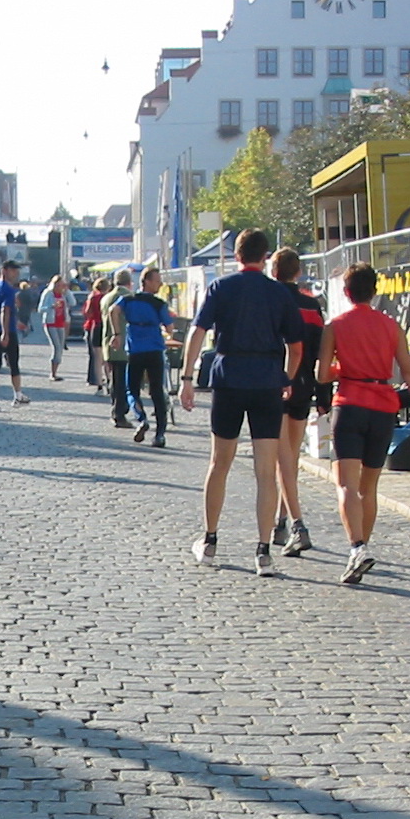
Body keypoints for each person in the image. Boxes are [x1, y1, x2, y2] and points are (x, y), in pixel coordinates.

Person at [179, 228, 304, 578]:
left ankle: (210, 541)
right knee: (265, 471)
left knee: (219, 463)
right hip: (267, 381)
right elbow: (296, 347)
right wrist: (288, 378)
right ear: (266, 258)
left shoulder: (221, 287)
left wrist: (187, 378)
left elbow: (197, 331)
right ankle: (263, 552)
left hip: (229, 377)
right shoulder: (279, 293)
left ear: (236, 256)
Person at [317, 262, 410, 585]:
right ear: (375, 291)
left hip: (350, 405)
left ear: (346, 292)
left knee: (345, 486)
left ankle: (357, 547)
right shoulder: (391, 326)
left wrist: (344, 368)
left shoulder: (335, 326)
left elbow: (322, 374)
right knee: (369, 487)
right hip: (383, 407)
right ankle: (361, 549)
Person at [270, 249, 327, 557]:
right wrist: (323, 393)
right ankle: (280, 521)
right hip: (305, 383)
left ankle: (297, 524)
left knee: (283, 458)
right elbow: (320, 352)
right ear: (298, 272)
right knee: (290, 457)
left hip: (277, 382)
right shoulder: (311, 304)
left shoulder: (268, 299)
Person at [115, 266, 176, 446]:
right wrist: (166, 332)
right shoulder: (158, 303)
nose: (160, 284)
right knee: (157, 391)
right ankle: (160, 434)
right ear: (147, 282)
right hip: (155, 349)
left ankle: (142, 419)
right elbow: (170, 328)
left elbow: (113, 310)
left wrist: (117, 333)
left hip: (135, 350)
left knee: (132, 389)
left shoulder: (128, 299)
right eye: (157, 281)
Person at [0, 260, 26, 411]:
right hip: (6, 331)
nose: (16, 273)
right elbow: (5, 311)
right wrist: (6, 332)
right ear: (5, 270)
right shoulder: (8, 289)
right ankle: (17, 395)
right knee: (13, 363)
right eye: (14, 270)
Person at [100, 268, 134, 428]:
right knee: (123, 382)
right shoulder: (127, 297)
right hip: (123, 344)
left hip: (108, 343)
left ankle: (116, 410)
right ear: (129, 282)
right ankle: (119, 413)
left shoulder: (106, 297)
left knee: (115, 380)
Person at [38, 275, 69, 382]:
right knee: (56, 347)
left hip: (61, 323)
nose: (60, 287)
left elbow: (73, 302)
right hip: (50, 322)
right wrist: (51, 306)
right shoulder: (48, 293)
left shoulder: (63, 294)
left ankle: (55, 372)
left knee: (60, 348)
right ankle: (53, 373)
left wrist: (67, 291)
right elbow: (40, 309)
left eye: (62, 285)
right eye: (59, 285)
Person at [82, 276, 110, 395]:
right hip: (108, 327)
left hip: (96, 326)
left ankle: (99, 386)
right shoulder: (109, 298)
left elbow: (87, 313)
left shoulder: (93, 297)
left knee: (97, 359)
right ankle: (109, 382)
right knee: (108, 358)